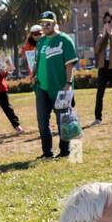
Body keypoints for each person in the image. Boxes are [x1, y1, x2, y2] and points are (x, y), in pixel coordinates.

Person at [32, 11, 77, 159]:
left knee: (63, 121)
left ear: (55, 23)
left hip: (60, 87)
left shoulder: (65, 40)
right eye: (43, 23)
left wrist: (68, 83)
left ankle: (65, 152)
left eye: (48, 23)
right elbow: (37, 61)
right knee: (42, 122)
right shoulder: (41, 42)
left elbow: (70, 64)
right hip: (42, 87)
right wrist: (33, 75)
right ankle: (47, 153)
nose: (44, 26)